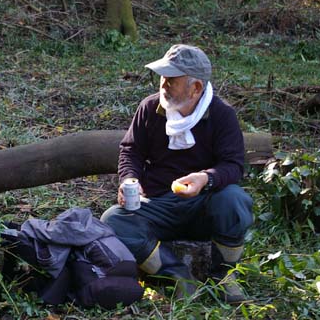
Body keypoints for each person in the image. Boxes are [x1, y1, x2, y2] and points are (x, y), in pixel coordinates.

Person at [100, 44, 253, 303]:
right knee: (113, 219)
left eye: (172, 79)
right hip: (158, 204)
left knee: (235, 200)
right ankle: (177, 275)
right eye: (163, 77)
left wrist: (206, 178)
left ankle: (223, 276)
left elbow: (234, 165)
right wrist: (129, 180)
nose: (164, 84)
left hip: (204, 204)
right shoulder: (150, 108)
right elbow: (131, 151)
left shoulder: (221, 114)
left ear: (196, 88)